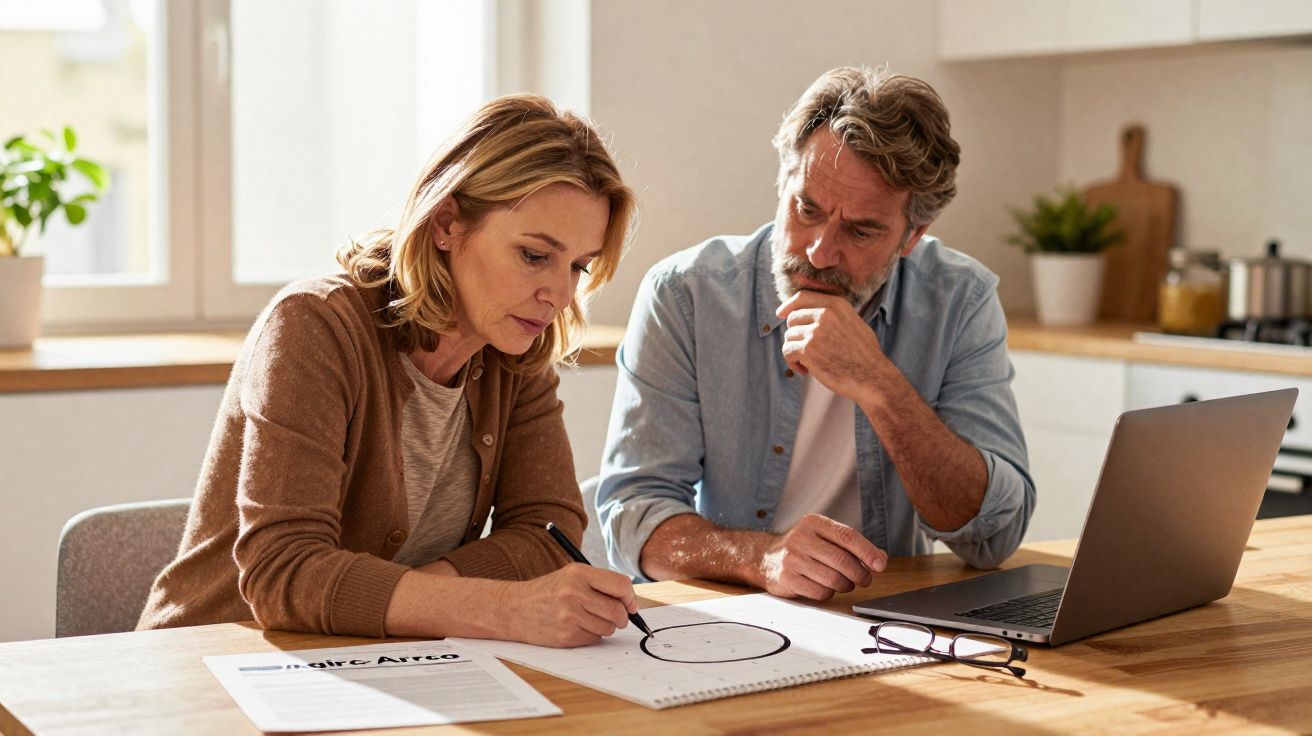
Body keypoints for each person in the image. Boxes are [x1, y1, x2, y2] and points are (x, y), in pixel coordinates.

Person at [139, 94, 640, 647]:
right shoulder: (313, 326)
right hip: (216, 661)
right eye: (533, 255)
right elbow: (283, 572)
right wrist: (501, 607)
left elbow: (549, 530)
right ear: (447, 223)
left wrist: (417, 598)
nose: (559, 294)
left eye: (578, 265)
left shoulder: (516, 348)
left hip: (375, 663)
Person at [597, 66, 1035, 601]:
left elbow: (994, 536)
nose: (820, 252)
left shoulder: (960, 300)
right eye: (806, 209)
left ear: (912, 237)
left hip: (889, 616)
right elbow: (632, 518)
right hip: (733, 612)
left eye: (861, 229)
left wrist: (880, 384)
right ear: (782, 184)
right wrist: (762, 558)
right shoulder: (686, 295)